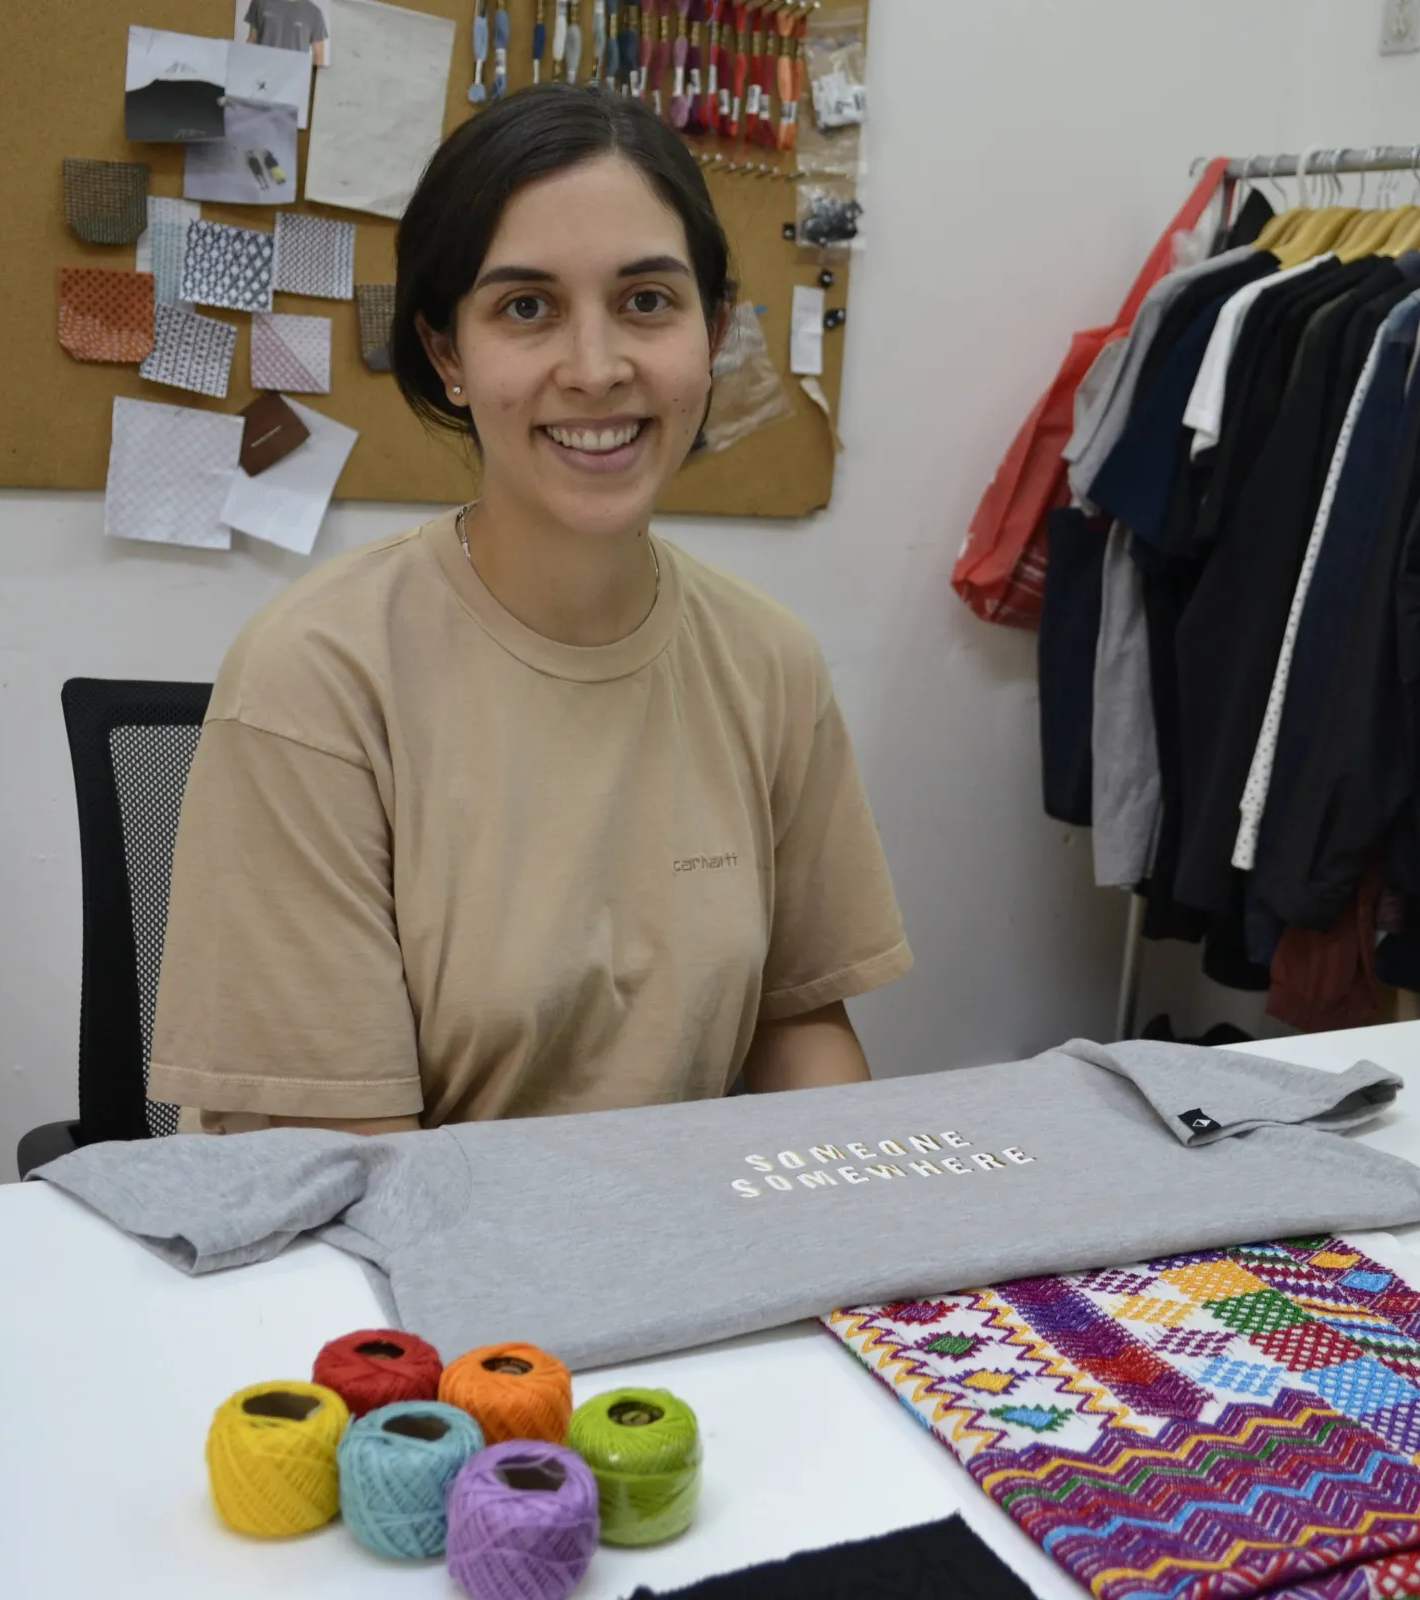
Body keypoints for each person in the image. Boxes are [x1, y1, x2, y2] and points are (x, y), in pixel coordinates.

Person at [151, 86, 911, 1134]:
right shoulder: (318, 678)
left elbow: (801, 1025)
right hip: (390, 1271)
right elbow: (339, 1169)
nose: (597, 369)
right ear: (449, 353)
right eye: (526, 307)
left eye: (648, 300)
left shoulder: (769, 662)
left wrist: (845, 1242)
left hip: (677, 1257)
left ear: (714, 333)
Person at [243, 0, 330, 67]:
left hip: (294, 79)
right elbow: (252, 39)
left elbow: (318, 57)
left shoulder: (314, 13)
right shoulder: (259, 2)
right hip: (262, 74)